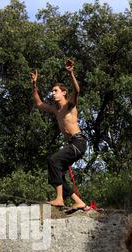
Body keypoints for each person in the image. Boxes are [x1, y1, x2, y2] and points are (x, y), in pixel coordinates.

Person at [30, 59, 88, 212]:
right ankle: (79, 202)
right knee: (57, 171)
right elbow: (38, 104)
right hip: (72, 144)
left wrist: (71, 73)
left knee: (53, 160)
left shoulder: (70, 105)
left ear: (63, 92)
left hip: (79, 142)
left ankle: (59, 199)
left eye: (55, 91)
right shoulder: (56, 110)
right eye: (52, 91)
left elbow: (77, 90)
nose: (53, 93)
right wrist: (34, 85)